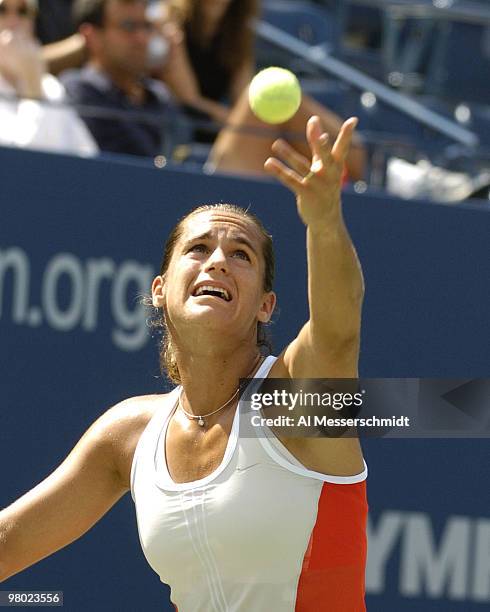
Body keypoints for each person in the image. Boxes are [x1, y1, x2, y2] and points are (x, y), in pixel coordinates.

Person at [0, 113, 367, 610]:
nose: (217, 260)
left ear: (266, 305)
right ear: (159, 291)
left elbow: (338, 331)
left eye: (241, 255)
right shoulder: (128, 434)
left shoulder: (294, 400)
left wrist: (324, 223)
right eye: (198, 248)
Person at [153, 0, 367, 180]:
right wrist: (243, 118)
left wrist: (244, 118)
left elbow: (239, 100)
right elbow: (190, 101)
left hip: (228, 137)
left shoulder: (237, 33)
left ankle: (349, 168)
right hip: (188, 142)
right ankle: (356, 169)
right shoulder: (169, 25)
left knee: (274, 98)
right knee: (267, 95)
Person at [61, 0, 181, 157]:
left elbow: (183, 156)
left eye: (146, 26)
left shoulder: (160, 95)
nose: (142, 38)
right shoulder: (78, 90)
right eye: (129, 27)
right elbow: (139, 162)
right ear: (92, 37)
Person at [0, 0, 97, 155]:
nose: (13, 22)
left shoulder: (51, 88)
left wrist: (33, 81)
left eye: (23, 12)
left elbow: (87, 157)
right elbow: (20, 164)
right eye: (2, 10)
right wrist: (32, 86)